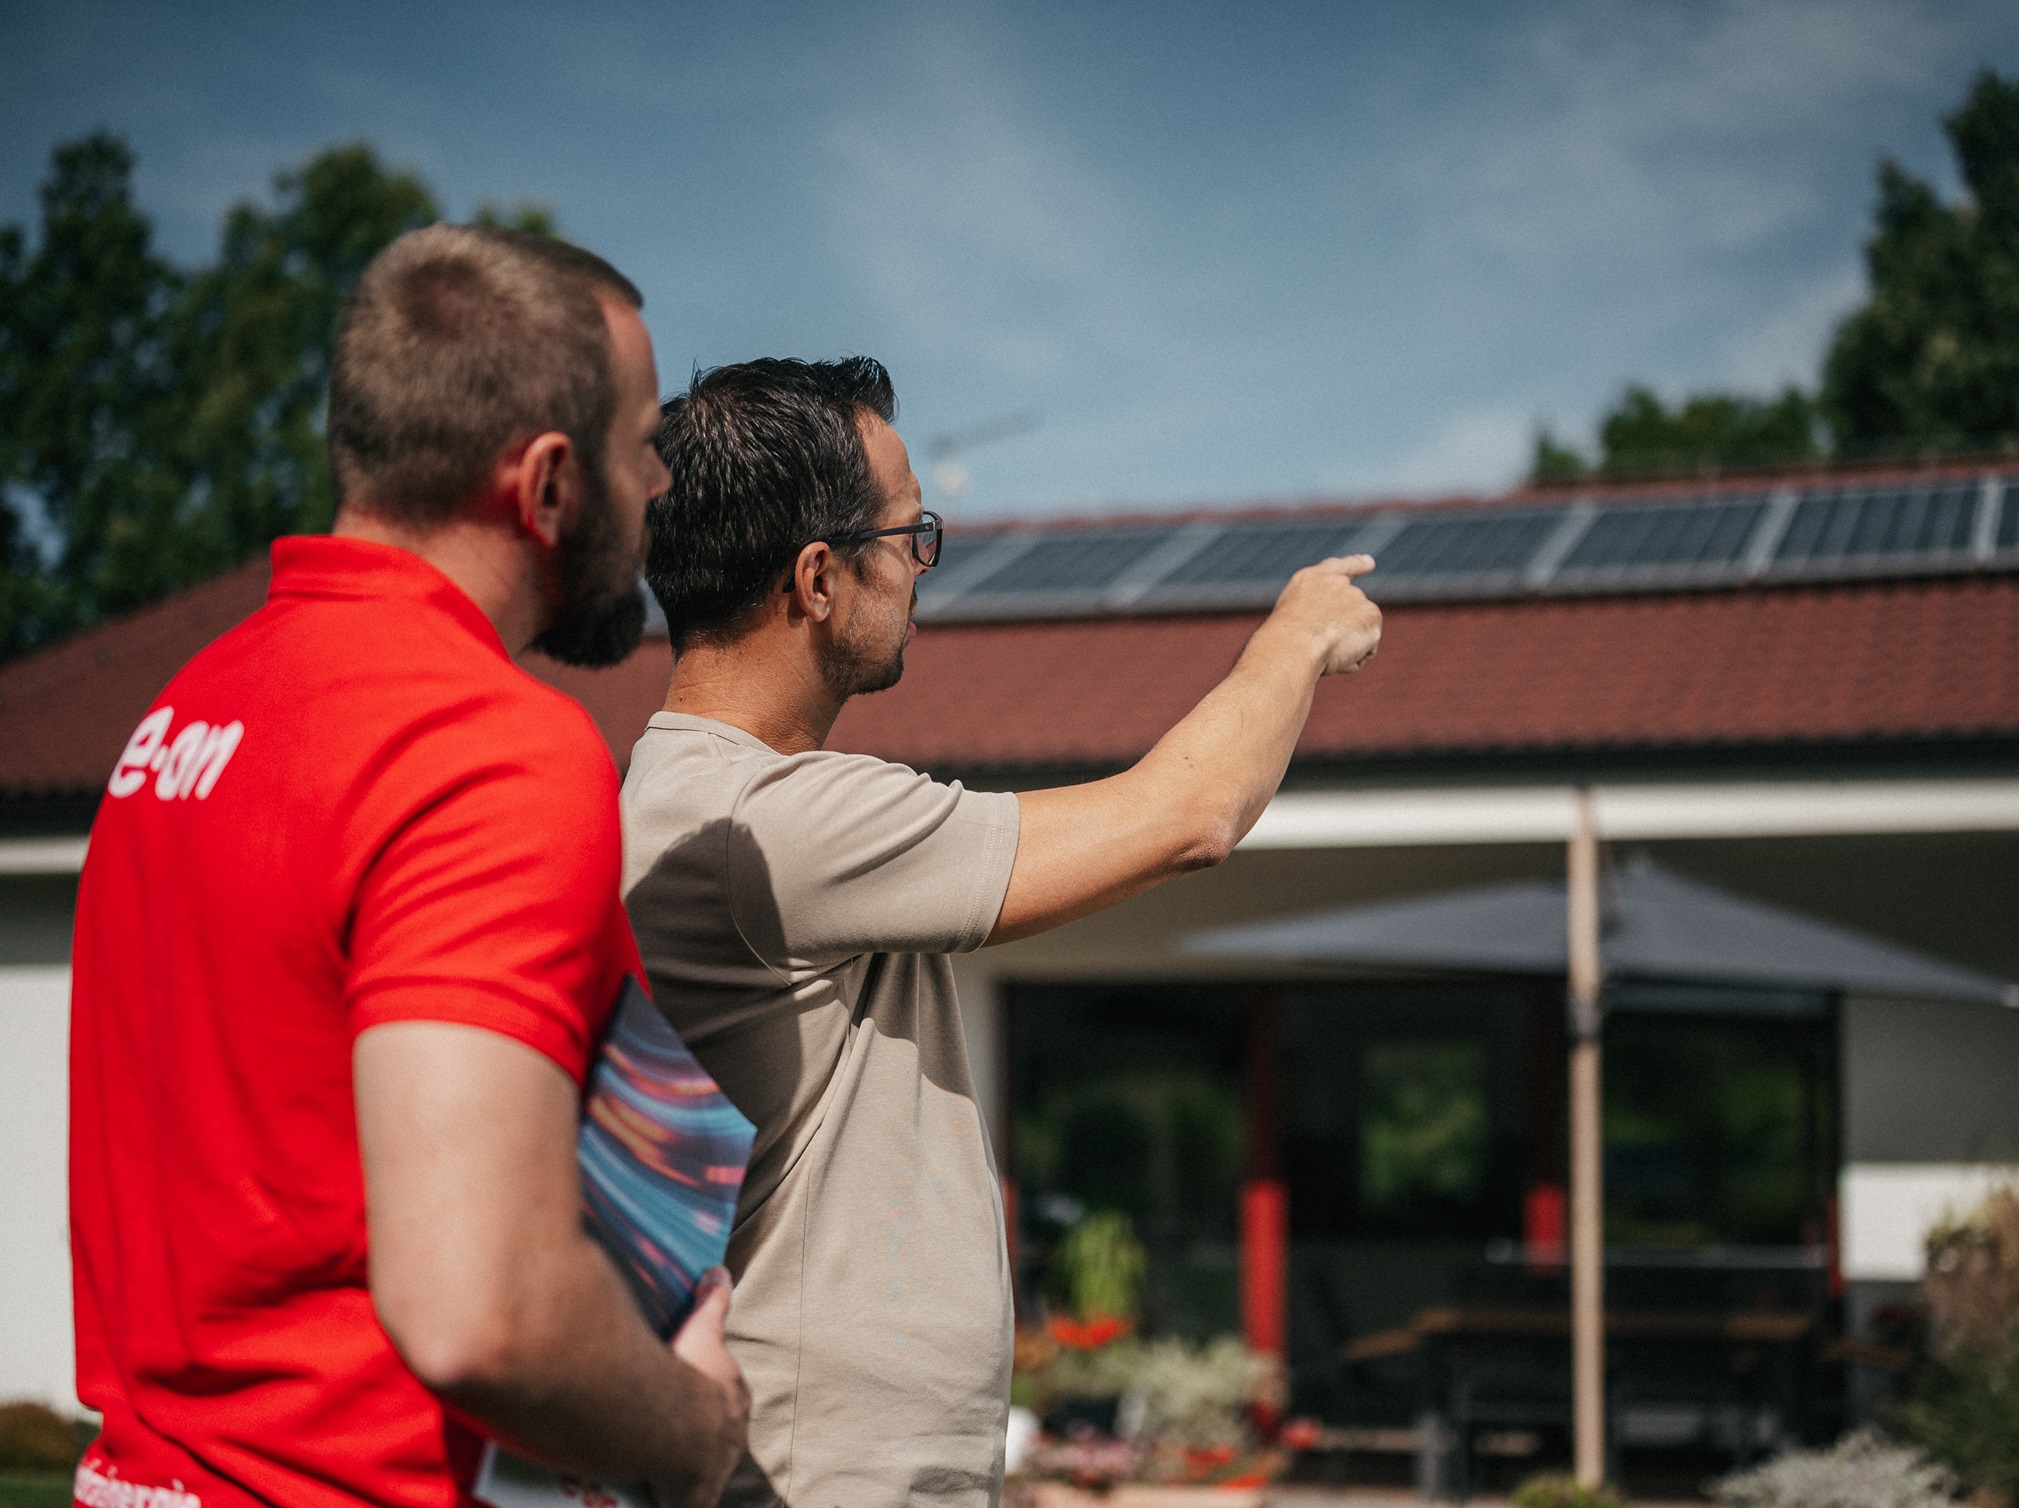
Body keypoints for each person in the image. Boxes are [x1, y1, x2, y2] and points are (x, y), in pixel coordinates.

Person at [68, 224, 749, 1508]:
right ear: (547, 483)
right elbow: (479, 1312)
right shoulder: (485, 746)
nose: (657, 482)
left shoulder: (186, 714)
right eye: (640, 442)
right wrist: (697, 1425)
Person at [623, 357, 1382, 1508]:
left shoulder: (692, 800)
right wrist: (1296, 634)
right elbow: (1185, 815)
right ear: (819, 577)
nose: (923, 566)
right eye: (908, 532)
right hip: (818, 1474)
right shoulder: (764, 819)